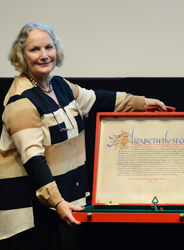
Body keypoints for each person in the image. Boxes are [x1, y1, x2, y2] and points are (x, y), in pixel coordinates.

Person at [0, 22, 166, 249]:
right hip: (32, 217)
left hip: (63, 206)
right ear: (21, 55)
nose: (44, 55)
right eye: (34, 49)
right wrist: (58, 203)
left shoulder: (58, 86)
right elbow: (33, 160)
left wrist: (142, 103)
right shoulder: (21, 101)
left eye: (48, 47)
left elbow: (96, 99)